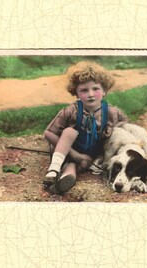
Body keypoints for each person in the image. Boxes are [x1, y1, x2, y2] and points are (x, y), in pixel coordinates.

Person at [43, 61, 128, 194]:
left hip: (91, 155)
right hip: (67, 150)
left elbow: (125, 127)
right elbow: (48, 133)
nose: (90, 94)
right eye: (84, 90)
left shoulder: (112, 112)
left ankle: (66, 179)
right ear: (76, 93)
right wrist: (74, 154)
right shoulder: (71, 111)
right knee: (69, 132)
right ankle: (53, 170)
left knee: (76, 166)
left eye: (95, 89)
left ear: (104, 90)